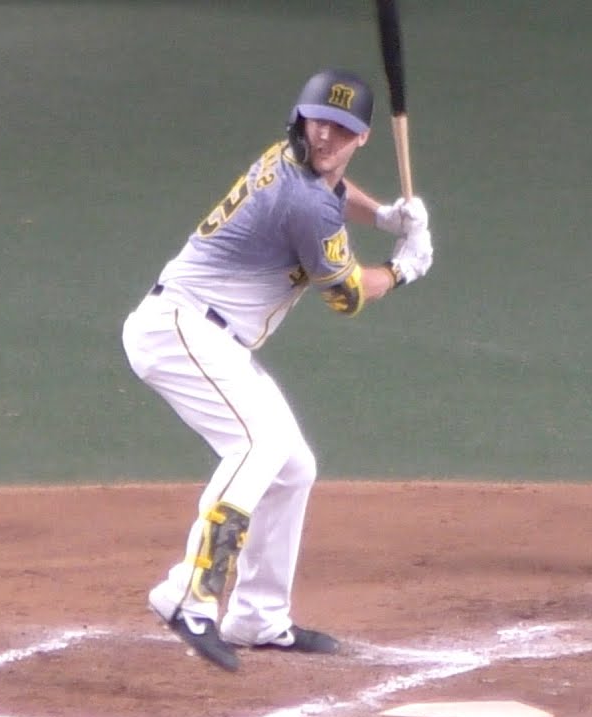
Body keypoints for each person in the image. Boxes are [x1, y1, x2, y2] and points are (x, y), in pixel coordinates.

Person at [121, 68, 434, 671]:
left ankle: (257, 617)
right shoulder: (302, 203)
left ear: (361, 137)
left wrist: (385, 216)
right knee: (255, 446)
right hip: (181, 329)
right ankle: (187, 594)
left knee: (292, 468)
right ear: (301, 119)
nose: (325, 137)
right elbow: (346, 295)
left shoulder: (297, 167)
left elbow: (335, 188)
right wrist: (405, 267)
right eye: (318, 122)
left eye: (340, 128)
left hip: (207, 335)